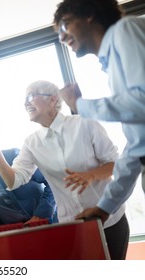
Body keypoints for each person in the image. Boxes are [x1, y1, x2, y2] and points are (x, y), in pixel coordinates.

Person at [0, 80, 129, 259]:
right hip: (74, 228)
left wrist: (91, 175)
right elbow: (13, 180)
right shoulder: (32, 142)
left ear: (53, 100)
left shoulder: (85, 124)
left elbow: (115, 163)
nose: (25, 103)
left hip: (111, 220)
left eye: (31, 96)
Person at [53, 0, 145, 225]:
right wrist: (104, 207)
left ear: (89, 14)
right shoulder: (112, 64)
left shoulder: (124, 30)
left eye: (65, 25)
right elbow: (137, 147)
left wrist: (80, 104)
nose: (62, 38)